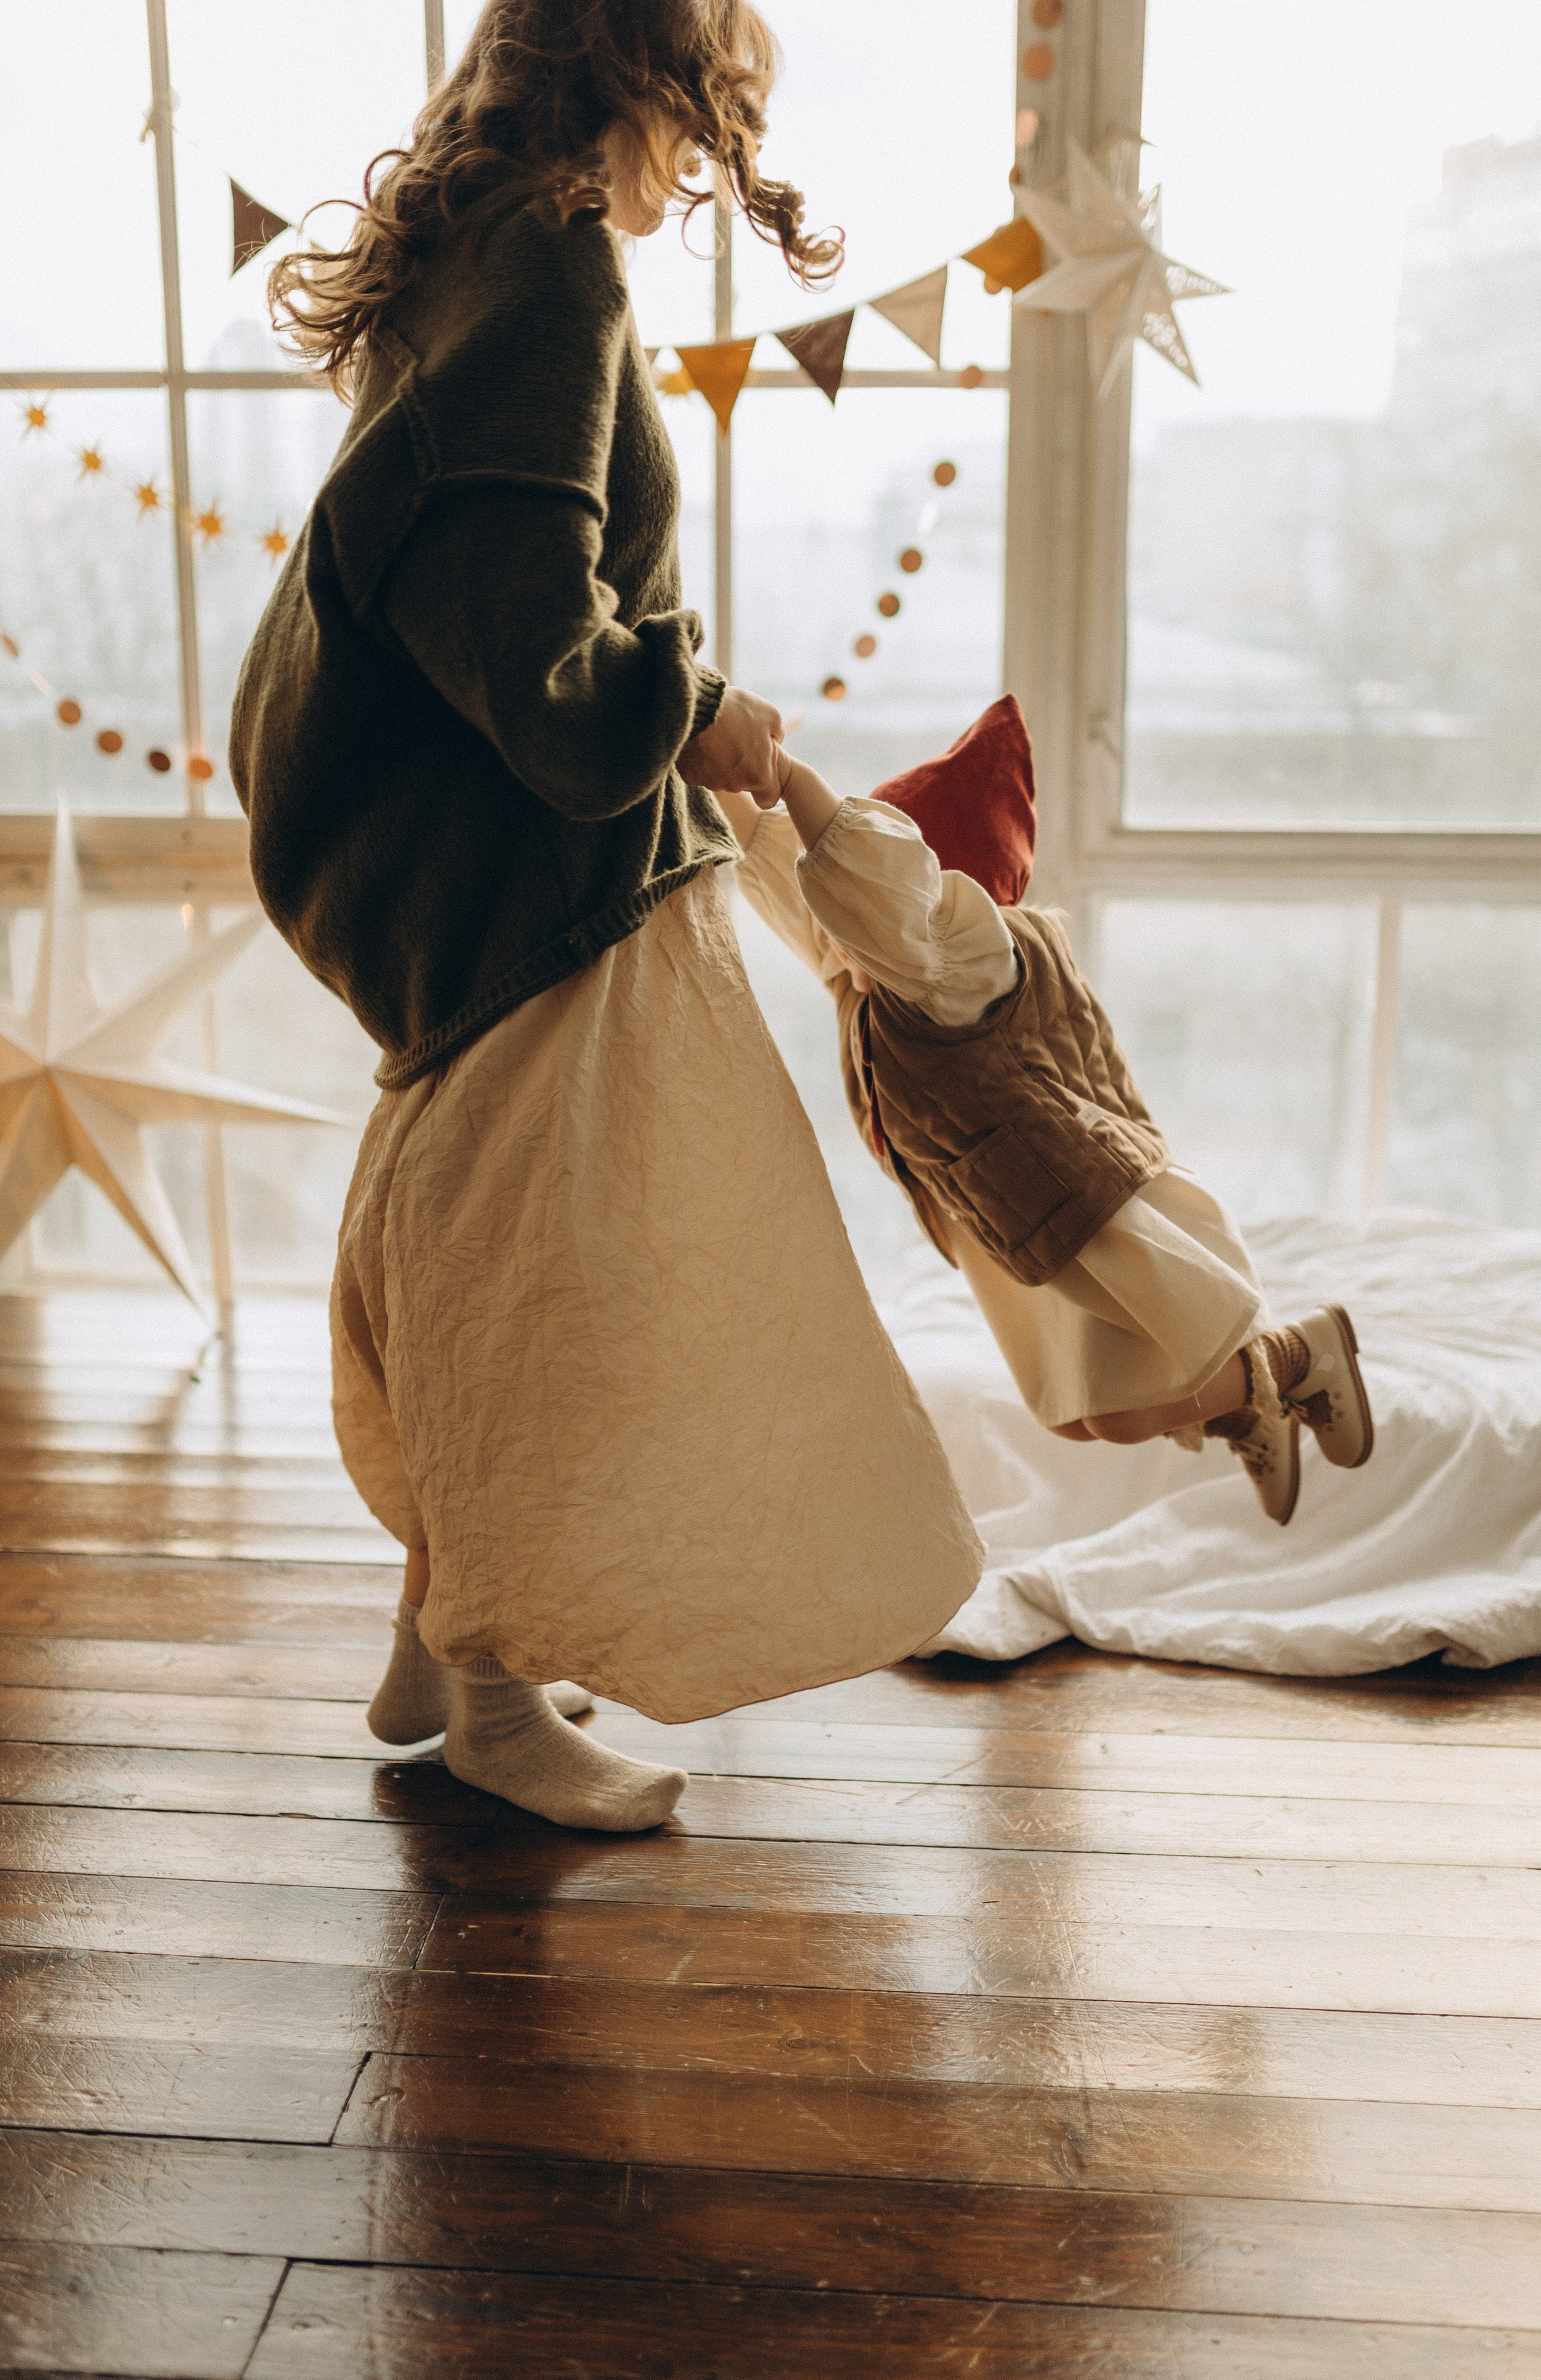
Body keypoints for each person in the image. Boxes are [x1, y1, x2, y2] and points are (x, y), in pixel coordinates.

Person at [228, 0, 983, 1831]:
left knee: (493, 1257)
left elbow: (479, 586)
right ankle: (494, 1701)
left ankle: (441, 1644)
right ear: (645, 80)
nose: (699, 164)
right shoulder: (551, 267)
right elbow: (540, 663)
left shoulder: (468, 256)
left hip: (469, 886)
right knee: (556, 1301)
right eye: (703, 114)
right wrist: (693, 704)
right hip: (533, 888)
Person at [719, 697, 1374, 1525]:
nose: (836, 933)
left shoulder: (965, 967)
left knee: (1134, 1406)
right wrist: (704, 749)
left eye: (856, 909)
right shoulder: (866, 974)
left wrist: (785, 774)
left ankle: (1300, 1355)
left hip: (1090, 1203)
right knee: (1079, 1416)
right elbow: (777, 861)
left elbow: (877, 886)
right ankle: (1246, 1407)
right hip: (1017, 1222)